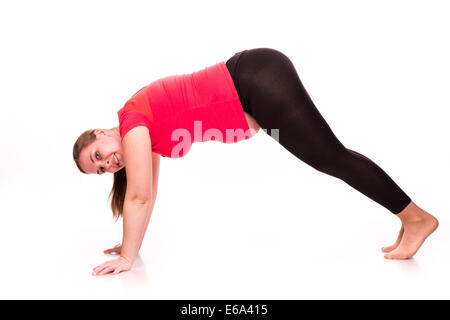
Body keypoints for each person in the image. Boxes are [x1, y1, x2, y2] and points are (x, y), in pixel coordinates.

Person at [73, 48, 438, 276]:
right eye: (102, 170)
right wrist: (129, 248)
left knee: (332, 158)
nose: (109, 163)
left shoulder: (133, 123)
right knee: (331, 157)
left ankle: (416, 218)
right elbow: (146, 194)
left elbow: (136, 197)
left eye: (99, 156)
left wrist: (128, 257)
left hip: (255, 83)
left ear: (98, 133)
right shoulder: (140, 129)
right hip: (256, 86)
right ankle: (412, 219)